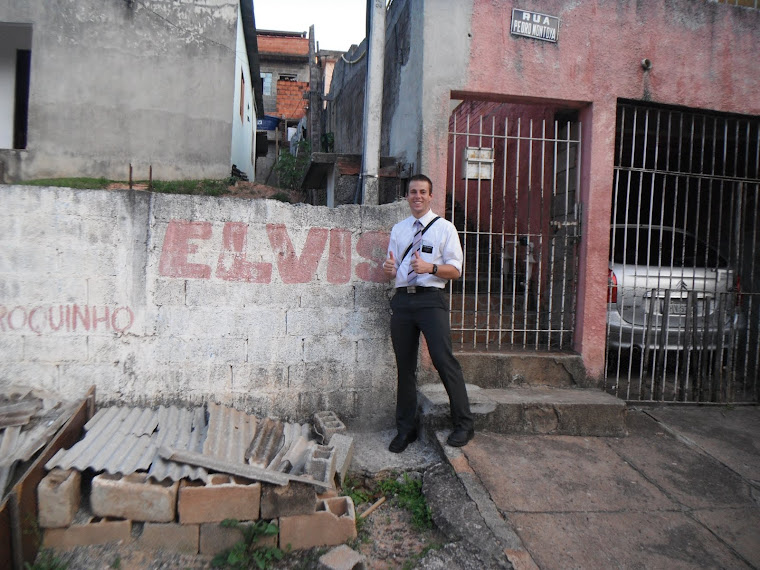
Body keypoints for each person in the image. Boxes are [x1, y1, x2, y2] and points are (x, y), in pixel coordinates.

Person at [382, 174, 474, 453]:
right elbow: (393, 265)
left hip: (431, 300)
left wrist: (431, 268)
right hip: (403, 302)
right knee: (405, 367)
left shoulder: (445, 229)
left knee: (443, 360)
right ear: (407, 196)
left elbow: (456, 270)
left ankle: (464, 424)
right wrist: (389, 271)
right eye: (412, 192)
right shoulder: (399, 229)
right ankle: (405, 430)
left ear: (431, 196)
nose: (417, 196)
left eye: (422, 191)